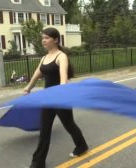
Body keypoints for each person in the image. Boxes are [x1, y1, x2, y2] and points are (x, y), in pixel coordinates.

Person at [24, 28, 88, 168]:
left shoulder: (61, 56)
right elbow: (37, 74)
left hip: (61, 97)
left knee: (69, 124)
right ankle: (38, 162)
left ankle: (81, 146)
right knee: (44, 130)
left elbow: (63, 74)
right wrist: (28, 87)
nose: (43, 40)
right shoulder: (44, 58)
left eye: (46, 38)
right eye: (43, 38)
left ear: (56, 40)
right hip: (48, 98)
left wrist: (63, 88)